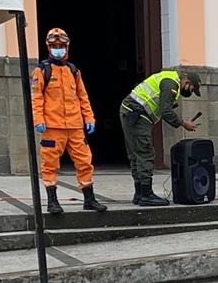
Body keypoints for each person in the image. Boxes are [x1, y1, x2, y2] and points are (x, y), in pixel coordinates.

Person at [31, 28, 105, 215]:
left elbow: (83, 96)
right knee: (49, 164)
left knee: (84, 161)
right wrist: (38, 119)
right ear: (48, 47)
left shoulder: (74, 71)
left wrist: (89, 117)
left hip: (75, 126)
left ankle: (89, 199)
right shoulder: (42, 70)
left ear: (67, 47)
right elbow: (37, 98)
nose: (58, 49)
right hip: (52, 127)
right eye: (55, 46)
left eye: (61, 46)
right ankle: (52, 202)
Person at [121, 68, 201, 206]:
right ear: (187, 82)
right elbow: (165, 111)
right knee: (145, 152)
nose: (190, 92)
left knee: (136, 154)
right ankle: (146, 194)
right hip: (138, 114)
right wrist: (183, 123)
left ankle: (139, 193)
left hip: (130, 111)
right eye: (192, 89)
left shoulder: (169, 78)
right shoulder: (171, 84)